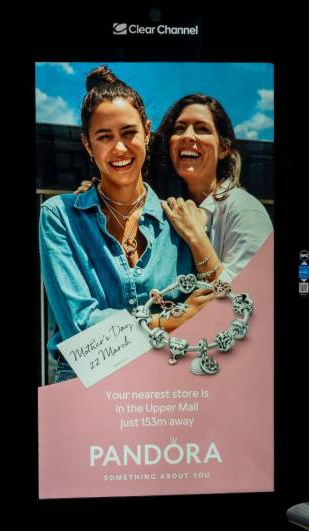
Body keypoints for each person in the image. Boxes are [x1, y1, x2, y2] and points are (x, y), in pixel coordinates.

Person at [39, 66, 205, 384]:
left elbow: (211, 316)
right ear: (87, 144)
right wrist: (178, 319)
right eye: (105, 137)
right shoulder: (59, 217)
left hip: (165, 388)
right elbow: (82, 327)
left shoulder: (181, 223)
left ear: (147, 131)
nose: (119, 148)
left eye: (129, 133)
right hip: (85, 391)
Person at [148, 93, 273, 282]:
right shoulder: (165, 206)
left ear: (224, 149)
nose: (187, 136)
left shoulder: (245, 210)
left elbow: (244, 300)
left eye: (202, 129)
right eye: (180, 128)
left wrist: (196, 236)